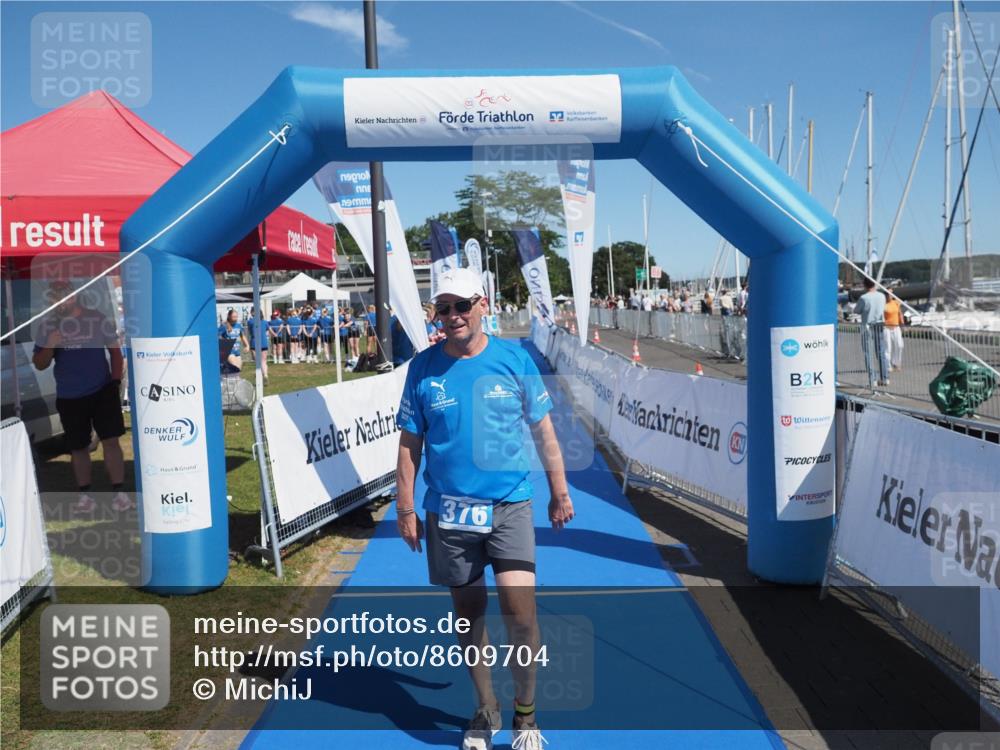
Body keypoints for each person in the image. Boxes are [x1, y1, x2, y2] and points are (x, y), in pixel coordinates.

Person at [395, 268, 573, 750]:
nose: (451, 316)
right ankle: (484, 709)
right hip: (449, 514)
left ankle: (526, 715)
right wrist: (406, 506)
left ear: (482, 305)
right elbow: (411, 442)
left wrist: (559, 491)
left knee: (521, 615)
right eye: (442, 308)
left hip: (510, 506)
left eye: (460, 306)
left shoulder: (514, 360)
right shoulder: (423, 367)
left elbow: (544, 431)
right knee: (468, 618)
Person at [32, 280, 132, 513]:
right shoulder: (47, 326)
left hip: (102, 391)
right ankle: (85, 496)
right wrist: (50, 345)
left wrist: (115, 382)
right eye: (53, 299)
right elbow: (39, 364)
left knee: (110, 441)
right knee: (78, 447)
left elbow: (115, 354)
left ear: (73, 296)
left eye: (61, 297)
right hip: (69, 396)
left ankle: (119, 493)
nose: (56, 303)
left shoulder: (96, 319)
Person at [854, 278, 888, 387]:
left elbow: (857, 310)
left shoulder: (864, 298)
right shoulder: (882, 296)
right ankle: (885, 378)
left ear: (864, 285)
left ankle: (873, 379)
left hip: (867, 325)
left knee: (868, 353)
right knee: (881, 352)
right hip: (880, 324)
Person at [219, 308, 249, 375]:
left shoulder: (238, 326)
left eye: (236, 317)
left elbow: (242, 336)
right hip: (229, 351)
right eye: (233, 317)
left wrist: (247, 345)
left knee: (238, 371)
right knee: (236, 368)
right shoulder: (224, 326)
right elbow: (217, 336)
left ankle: (234, 383)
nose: (235, 318)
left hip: (237, 351)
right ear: (229, 316)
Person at [883, 290, 904, 374]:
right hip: (886, 327)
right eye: (888, 294)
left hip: (896, 326)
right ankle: (888, 366)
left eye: (891, 294)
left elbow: (900, 313)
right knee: (888, 347)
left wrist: (902, 324)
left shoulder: (896, 302)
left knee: (900, 345)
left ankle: (896, 362)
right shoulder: (883, 304)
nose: (890, 296)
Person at [246, 308, 269, 383]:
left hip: (254, 342)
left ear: (253, 313)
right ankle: (265, 375)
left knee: (257, 361)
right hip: (264, 342)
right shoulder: (265, 322)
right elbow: (266, 331)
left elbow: (250, 331)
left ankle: (259, 376)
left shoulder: (250, 322)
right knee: (264, 361)